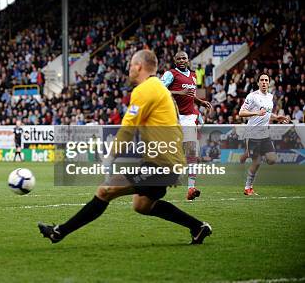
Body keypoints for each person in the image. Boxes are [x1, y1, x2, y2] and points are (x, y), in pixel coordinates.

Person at [38, 50, 212, 245]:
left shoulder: (145, 89)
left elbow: (128, 128)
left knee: (106, 190)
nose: (129, 70)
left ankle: (59, 232)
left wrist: (110, 157)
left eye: (130, 66)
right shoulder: (161, 90)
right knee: (142, 205)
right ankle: (198, 227)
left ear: (139, 67)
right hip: (165, 161)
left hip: (160, 163)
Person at [161, 51, 212, 200]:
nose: (182, 60)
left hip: (189, 118)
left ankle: (191, 188)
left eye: (184, 58)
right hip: (174, 118)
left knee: (192, 152)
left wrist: (199, 101)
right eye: (179, 58)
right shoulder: (171, 74)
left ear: (188, 60)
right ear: (175, 60)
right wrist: (179, 92)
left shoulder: (193, 75)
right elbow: (159, 90)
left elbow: (189, 93)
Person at [238, 74, 290, 196]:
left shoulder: (270, 97)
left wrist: (277, 117)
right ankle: (248, 188)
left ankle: (247, 153)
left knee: (272, 159)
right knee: (257, 162)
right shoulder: (252, 96)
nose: (264, 82)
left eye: (266, 80)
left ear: (269, 83)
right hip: (252, 133)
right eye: (261, 80)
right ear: (258, 83)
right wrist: (256, 112)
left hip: (264, 134)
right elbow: (241, 113)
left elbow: (267, 113)